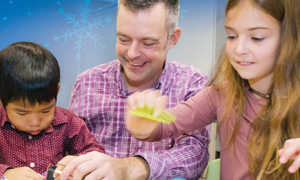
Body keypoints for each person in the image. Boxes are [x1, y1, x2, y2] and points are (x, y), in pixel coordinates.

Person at [125, 0, 300, 179]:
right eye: (232, 36)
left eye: (256, 38)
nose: (239, 49)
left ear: (290, 39)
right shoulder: (220, 94)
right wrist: (143, 126)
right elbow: (169, 123)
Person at [63, 0, 210, 180]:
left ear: (172, 38)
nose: (132, 53)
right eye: (123, 39)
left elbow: (195, 153)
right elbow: (68, 145)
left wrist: (129, 168)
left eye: (147, 43)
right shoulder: (87, 83)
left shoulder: (192, 83)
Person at [0, 42, 105, 180]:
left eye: (45, 111)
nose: (35, 122)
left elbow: (96, 153)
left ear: (56, 91)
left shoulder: (69, 122)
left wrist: (74, 163)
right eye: (22, 113)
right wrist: (6, 173)